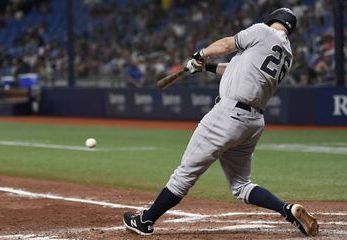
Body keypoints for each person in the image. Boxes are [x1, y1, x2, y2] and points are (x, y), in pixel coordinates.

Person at [123, 8, 319, 237]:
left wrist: (201, 54)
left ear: (272, 19)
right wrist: (204, 67)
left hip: (228, 115)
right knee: (241, 185)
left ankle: (145, 221)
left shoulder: (262, 31)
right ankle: (287, 210)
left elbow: (227, 44)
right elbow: (234, 67)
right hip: (253, 122)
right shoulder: (287, 52)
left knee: (184, 175)